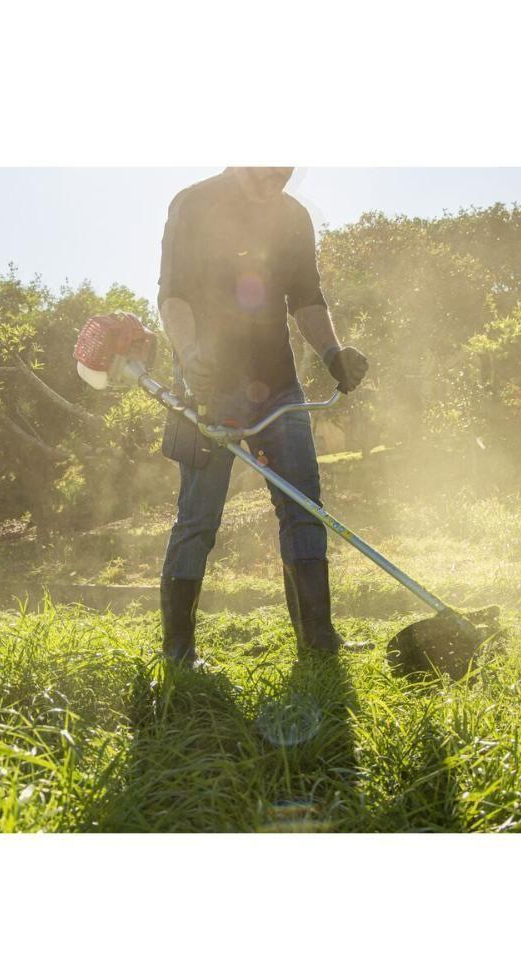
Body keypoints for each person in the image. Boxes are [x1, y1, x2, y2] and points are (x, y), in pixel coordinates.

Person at [157, 166, 369, 667]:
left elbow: (307, 298)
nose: (277, 175)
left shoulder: (292, 217)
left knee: (304, 507)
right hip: (208, 387)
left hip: (278, 387)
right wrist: (190, 359)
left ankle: (318, 644)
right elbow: (172, 295)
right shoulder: (193, 204)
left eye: (286, 166)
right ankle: (178, 653)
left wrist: (333, 353)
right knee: (198, 517)